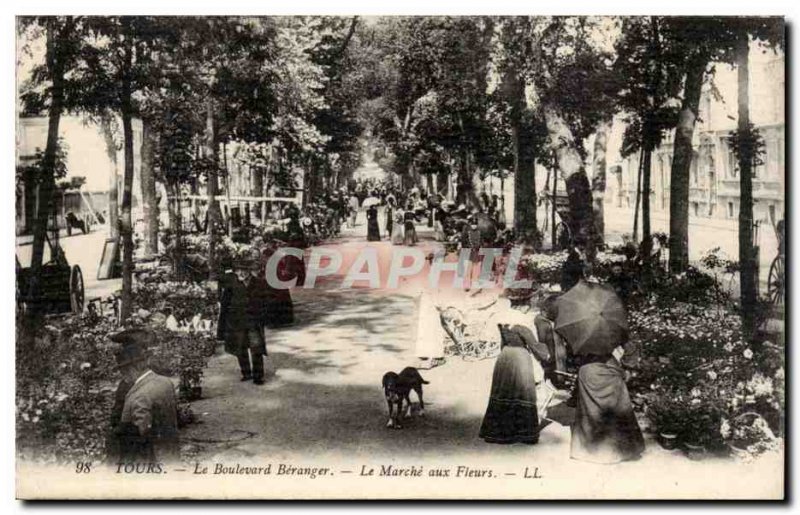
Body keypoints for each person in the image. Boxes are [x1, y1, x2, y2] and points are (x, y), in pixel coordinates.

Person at [110, 328, 179, 463]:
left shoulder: (138, 395)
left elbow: (140, 434)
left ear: (133, 367)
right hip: (171, 453)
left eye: (124, 371)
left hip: (151, 461)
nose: (124, 376)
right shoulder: (166, 381)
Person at [570, 345, 645, 464]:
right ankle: (617, 450)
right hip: (609, 374)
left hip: (588, 372)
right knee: (616, 409)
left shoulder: (585, 359)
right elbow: (629, 358)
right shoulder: (613, 342)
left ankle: (586, 449)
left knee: (589, 410)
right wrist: (626, 369)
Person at [479, 323, 550, 444]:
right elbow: (534, 345)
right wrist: (546, 355)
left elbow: (502, 344)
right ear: (524, 305)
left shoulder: (504, 324)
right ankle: (523, 433)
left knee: (504, 391)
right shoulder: (522, 325)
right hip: (520, 357)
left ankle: (499, 432)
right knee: (523, 391)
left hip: (505, 356)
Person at [217, 258, 268, 384]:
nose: (241, 273)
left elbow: (266, 302)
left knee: (256, 347)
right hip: (236, 321)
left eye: (244, 270)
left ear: (250, 271)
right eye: (238, 270)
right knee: (240, 348)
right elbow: (224, 305)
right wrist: (222, 326)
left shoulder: (259, 283)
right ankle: (246, 373)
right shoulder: (231, 284)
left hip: (253, 321)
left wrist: (263, 316)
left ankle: (258, 376)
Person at [414, 290, 446, 370]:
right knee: (434, 329)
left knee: (424, 327)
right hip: (432, 298)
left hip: (425, 297)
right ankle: (432, 358)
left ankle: (424, 355)